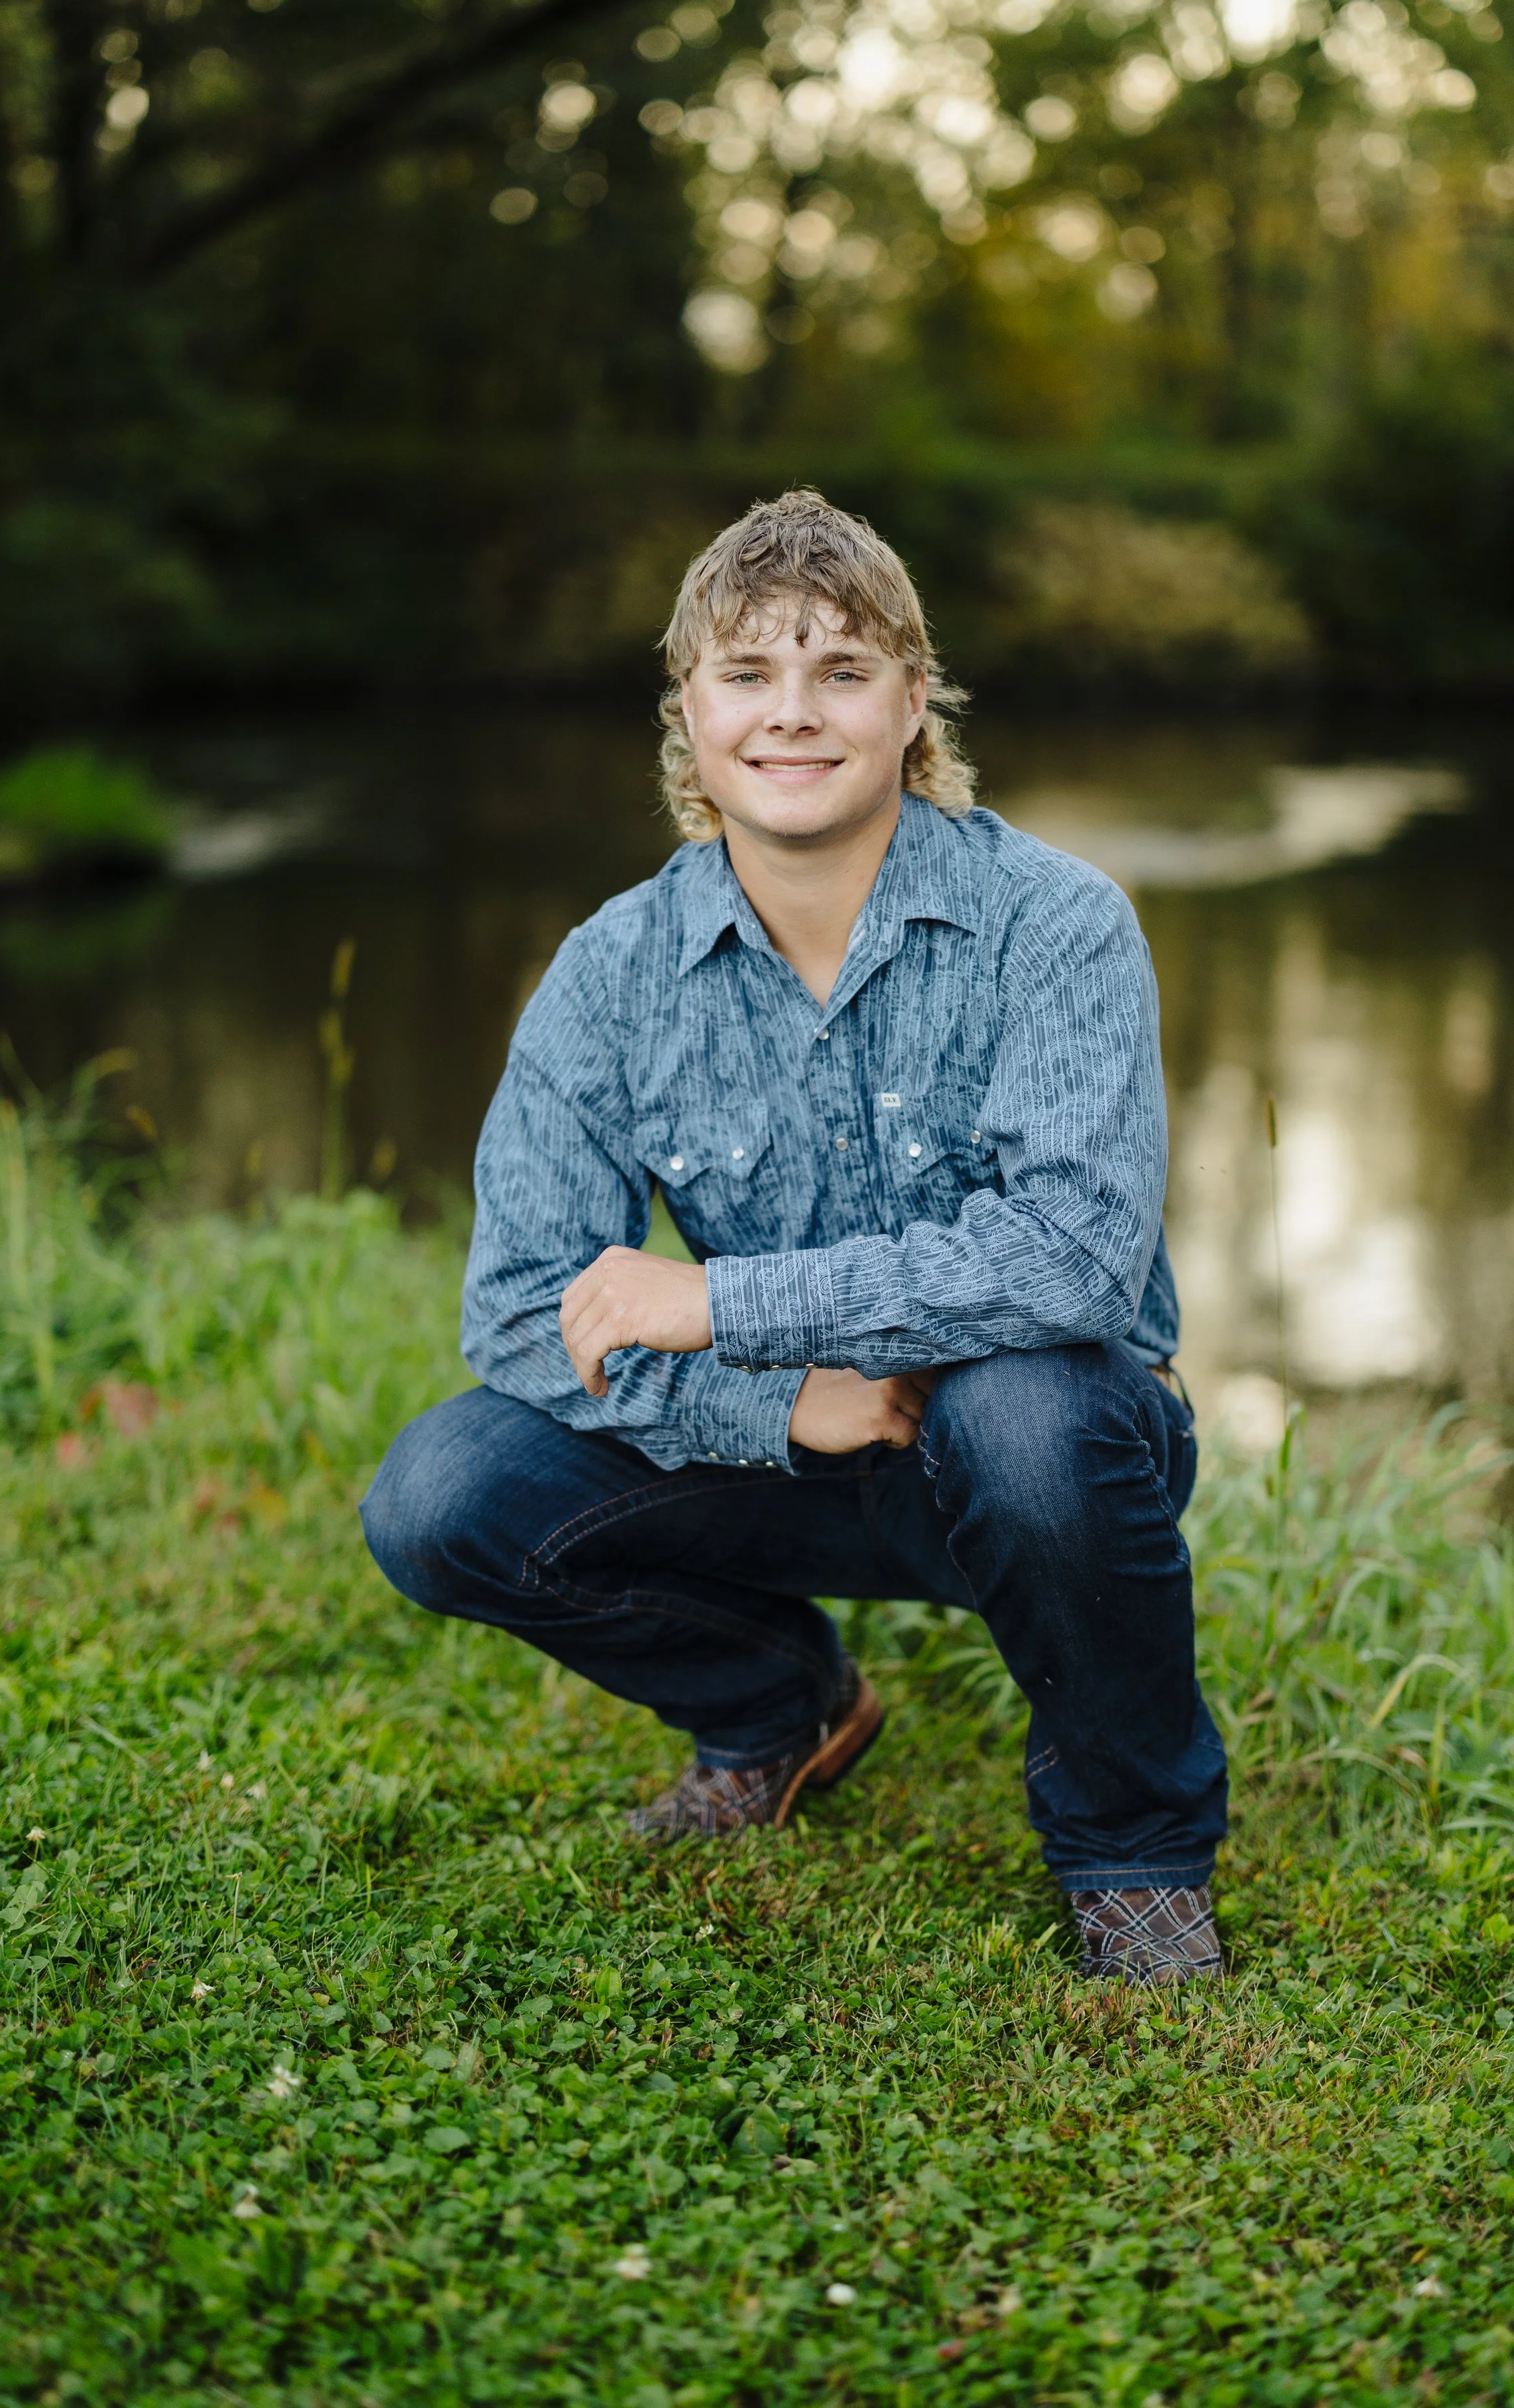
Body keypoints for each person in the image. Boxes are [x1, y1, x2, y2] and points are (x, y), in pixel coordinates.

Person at [361, 489, 1227, 1984]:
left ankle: (1132, 1852)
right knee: (440, 1491)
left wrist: (724, 1307)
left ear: (911, 704)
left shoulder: (1057, 922)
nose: (792, 715)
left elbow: (1077, 1258)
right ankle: (780, 1708)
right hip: (774, 1460)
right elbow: (519, 1309)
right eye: (747, 674)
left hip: (1041, 1466)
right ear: (686, 716)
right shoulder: (609, 972)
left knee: (1024, 1411)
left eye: (841, 671)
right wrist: (780, 1399)